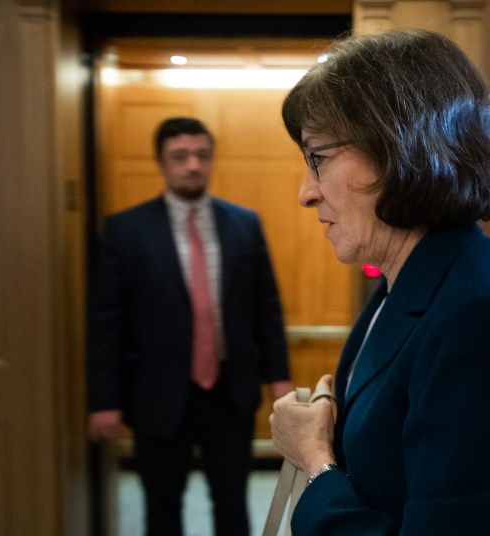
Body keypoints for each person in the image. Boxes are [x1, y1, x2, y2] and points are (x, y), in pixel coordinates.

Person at [269, 30, 490, 535]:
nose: (306, 193)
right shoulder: (409, 280)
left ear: (396, 148)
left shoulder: (482, 313)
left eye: (317, 158)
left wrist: (315, 459)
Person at [87, 117, 293, 536]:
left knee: (232, 501)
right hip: (157, 393)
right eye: (180, 156)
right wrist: (103, 400)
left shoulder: (244, 224)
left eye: (201, 155)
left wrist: (280, 379)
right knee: (162, 508)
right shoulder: (126, 231)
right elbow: (106, 321)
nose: (193, 165)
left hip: (229, 392)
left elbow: (266, 307)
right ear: (161, 162)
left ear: (212, 158)